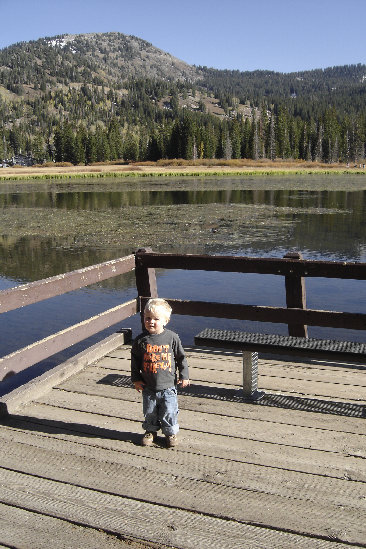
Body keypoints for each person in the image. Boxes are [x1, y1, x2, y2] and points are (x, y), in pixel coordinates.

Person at [131, 298, 190, 448]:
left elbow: (181, 358)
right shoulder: (140, 340)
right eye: (147, 318)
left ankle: (170, 433)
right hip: (148, 386)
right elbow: (135, 362)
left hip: (168, 386)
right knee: (150, 411)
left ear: (166, 321)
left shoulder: (172, 337)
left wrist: (184, 376)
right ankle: (150, 431)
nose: (151, 322)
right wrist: (136, 379)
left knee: (169, 411)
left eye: (156, 319)